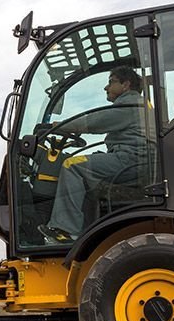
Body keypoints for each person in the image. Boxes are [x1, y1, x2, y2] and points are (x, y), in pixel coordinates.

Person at [39, 66, 154, 243]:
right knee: (86, 173)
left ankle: (65, 231)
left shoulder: (130, 104)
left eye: (111, 82)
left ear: (126, 85)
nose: (106, 87)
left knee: (72, 166)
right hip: (135, 160)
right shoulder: (138, 104)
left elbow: (94, 122)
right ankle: (86, 230)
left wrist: (57, 126)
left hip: (131, 160)